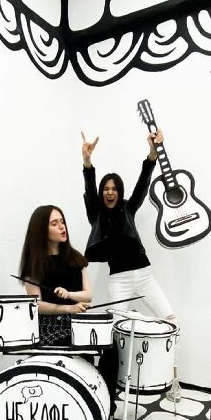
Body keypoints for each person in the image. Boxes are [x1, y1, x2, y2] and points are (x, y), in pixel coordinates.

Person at [19, 204, 120, 420]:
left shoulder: (77, 259)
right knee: (84, 356)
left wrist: (71, 295)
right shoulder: (35, 264)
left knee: (111, 347)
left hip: (77, 320)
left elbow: (88, 296)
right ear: (41, 230)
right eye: (54, 223)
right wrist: (65, 308)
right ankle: (85, 408)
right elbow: (36, 306)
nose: (61, 227)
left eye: (62, 221)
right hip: (50, 328)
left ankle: (106, 408)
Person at [80, 131, 176, 323]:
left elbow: (142, 186)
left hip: (144, 275)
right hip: (119, 281)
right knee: (116, 329)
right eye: (106, 188)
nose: (110, 192)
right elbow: (90, 191)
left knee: (170, 319)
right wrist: (87, 163)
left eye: (114, 188)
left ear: (119, 191)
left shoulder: (128, 209)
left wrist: (152, 155)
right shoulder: (96, 214)